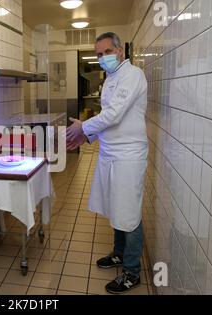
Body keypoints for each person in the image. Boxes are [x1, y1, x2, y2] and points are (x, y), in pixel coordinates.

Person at [66, 32, 148, 294]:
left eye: (106, 53)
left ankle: (132, 272)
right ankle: (119, 253)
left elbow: (113, 114)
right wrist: (87, 136)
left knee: (129, 212)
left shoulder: (133, 75)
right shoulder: (112, 78)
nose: (102, 58)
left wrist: (83, 128)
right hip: (110, 152)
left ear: (120, 51)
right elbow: (107, 118)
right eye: (99, 54)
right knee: (116, 205)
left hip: (128, 156)